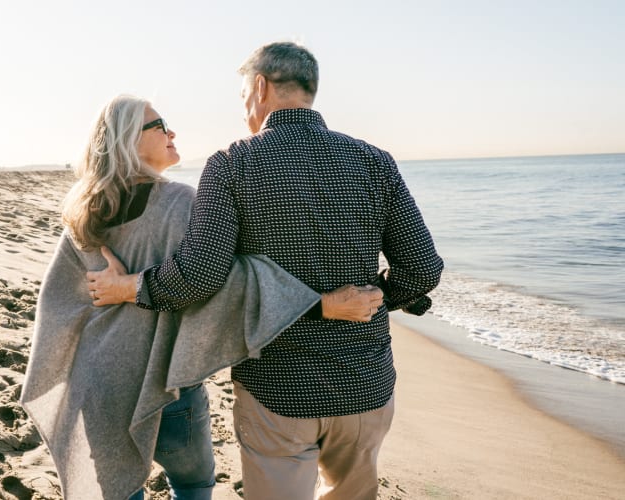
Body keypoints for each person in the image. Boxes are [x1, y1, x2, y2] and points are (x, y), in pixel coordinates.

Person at [86, 42, 444, 500]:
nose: (243, 112)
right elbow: (423, 268)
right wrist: (377, 298)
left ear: (260, 88)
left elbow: (200, 276)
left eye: (242, 98)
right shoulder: (373, 160)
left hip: (278, 388)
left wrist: (131, 288)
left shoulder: (233, 163)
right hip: (365, 383)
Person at [20, 95, 382, 500]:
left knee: (118, 492)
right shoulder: (180, 203)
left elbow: (58, 303)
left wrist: (117, 294)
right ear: (127, 141)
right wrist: (323, 303)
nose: (171, 131)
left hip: (98, 385)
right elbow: (223, 282)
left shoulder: (82, 211)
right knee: (193, 484)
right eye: (159, 126)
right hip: (166, 385)